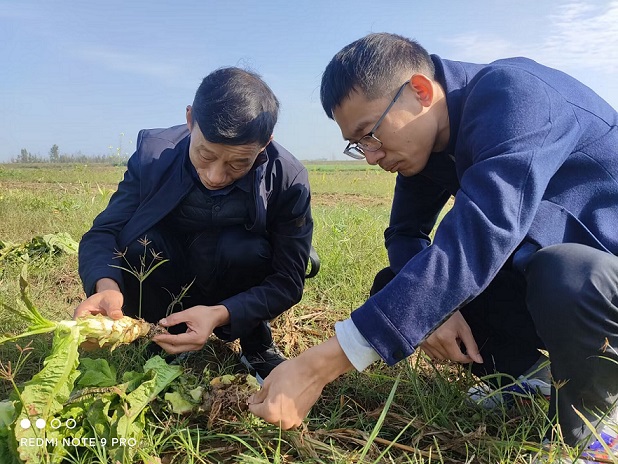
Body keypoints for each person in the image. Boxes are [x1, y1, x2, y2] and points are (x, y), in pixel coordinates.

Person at [248, 32, 618, 454]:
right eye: (358, 144)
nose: (370, 156)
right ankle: (530, 379)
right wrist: (435, 312)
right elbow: (405, 234)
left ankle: (594, 435)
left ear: (420, 91)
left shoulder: (515, 98)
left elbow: (480, 235)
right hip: (552, 285)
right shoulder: (428, 143)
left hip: (600, 283)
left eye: (370, 133)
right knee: (400, 283)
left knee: (569, 273)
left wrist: (318, 365)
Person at [75, 67, 314, 384]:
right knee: (141, 243)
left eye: (238, 163)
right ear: (190, 120)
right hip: (172, 266)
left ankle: (256, 345)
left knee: (247, 250)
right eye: (205, 154)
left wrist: (219, 313)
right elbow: (103, 232)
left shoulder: (288, 179)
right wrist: (106, 286)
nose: (215, 176)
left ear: (265, 143)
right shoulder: (152, 157)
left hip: (234, 272)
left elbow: (288, 280)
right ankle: (163, 332)